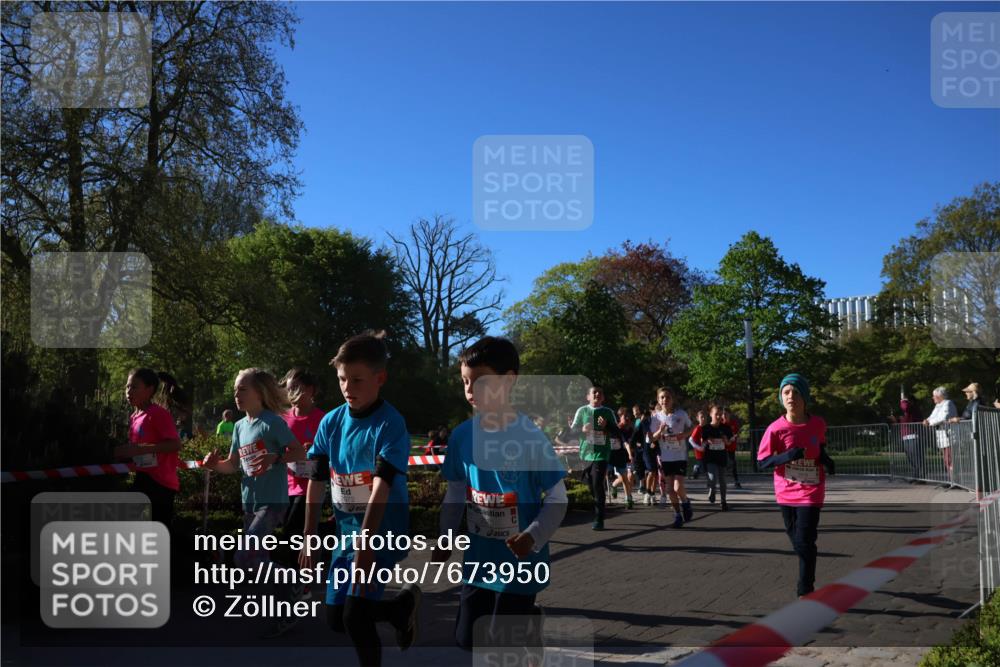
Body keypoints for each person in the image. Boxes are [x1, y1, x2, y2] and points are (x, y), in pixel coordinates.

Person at [433, 336, 567, 667]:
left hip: (521, 562)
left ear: (508, 381)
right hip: (479, 560)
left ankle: (525, 630)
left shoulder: (530, 437)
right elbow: (455, 491)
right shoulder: (462, 435)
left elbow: (557, 497)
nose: (470, 390)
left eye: (480, 381)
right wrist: (446, 535)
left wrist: (533, 536)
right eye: (465, 382)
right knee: (467, 639)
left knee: (500, 648)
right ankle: (529, 625)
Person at [298, 332, 420, 666]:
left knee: (355, 617)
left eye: (357, 380)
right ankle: (399, 609)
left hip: (380, 533)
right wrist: (309, 536)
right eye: (341, 379)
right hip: (347, 534)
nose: (347, 387)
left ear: (380, 378)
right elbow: (317, 480)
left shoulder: (390, 424)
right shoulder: (331, 422)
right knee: (336, 619)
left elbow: (381, 487)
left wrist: (367, 547)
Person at [202, 367, 304, 636]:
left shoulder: (272, 422)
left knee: (244, 556)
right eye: (235, 389)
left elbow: (299, 452)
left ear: (259, 393)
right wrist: (214, 465)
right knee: (258, 560)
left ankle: (293, 581)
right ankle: (285, 612)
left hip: (272, 502)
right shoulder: (239, 426)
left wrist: (277, 457)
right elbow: (232, 465)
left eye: (242, 389)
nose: (236, 394)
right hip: (250, 502)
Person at [757, 373, 835, 598]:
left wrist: (827, 460)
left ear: (805, 397)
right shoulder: (775, 428)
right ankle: (808, 560)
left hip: (812, 489)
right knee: (799, 542)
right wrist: (787, 456)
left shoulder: (818, 424)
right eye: (786, 392)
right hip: (786, 491)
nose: (791, 396)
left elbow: (820, 447)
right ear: (781, 397)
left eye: (796, 392)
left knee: (804, 540)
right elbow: (762, 462)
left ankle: (805, 589)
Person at [114, 369, 183, 527]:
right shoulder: (134, 416)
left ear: (149, 390)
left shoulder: (158, 414)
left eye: (134, 387)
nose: (128, 391)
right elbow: (136, 449)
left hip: (161, 483)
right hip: (143, 477)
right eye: (127, 387)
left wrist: (141, 449)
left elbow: (175, 444)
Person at [279, 368, 325, 566]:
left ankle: (300, 574)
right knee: (289, 534)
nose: (292, 393)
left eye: (297, 388)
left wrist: (313, 451)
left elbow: (332, 453)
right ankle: (299, 572)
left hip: (311, 486)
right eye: (289, 388)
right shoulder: (282, 418)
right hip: (286, 484)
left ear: (311, 390)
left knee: (293, 530)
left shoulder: (323, 419)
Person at [571, 385, 626, 530]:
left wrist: (606, 425)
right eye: (594, 392)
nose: (597, 394)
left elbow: (617, 432)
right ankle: (597, 506)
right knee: (589, 485)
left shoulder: (607, 412)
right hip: (585, 453)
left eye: (600, 393)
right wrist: (582, 429)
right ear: (588, 397)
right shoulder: (582, 411)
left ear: (603, 397)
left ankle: (599, 518)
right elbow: (572, 431)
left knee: (597, 483)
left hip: (602, 454)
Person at [650, 387, 694, 528]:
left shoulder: (681, 414)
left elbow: (692, 427)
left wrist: (684, 435)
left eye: (668, 397)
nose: (665, 400)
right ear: (658, 400)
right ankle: (677, 515)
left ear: (672, 399)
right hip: (666, 457)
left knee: (678, 487)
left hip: (680, 455)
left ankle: (685, 502)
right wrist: (659, 431)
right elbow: (651, 438)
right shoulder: (656, 418)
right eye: (662, 397)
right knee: (669, 489)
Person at [699, 404, 733, 510]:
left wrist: (725, 440)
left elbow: (729, 443)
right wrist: (707, 440)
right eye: (716, 414)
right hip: (710, 457)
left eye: (720, 414)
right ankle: (712, 490)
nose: (718, 417)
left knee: (723, 480)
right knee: (712, 478)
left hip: (722, 456)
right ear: (711, 414)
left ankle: (723, 501)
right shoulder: (706, 428)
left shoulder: (726, 428)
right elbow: (702, 441)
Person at [924, 386, 958, 488]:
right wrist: (927, 420)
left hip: (949, 435)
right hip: (942, 435)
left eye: (934, 396)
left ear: (940, 396)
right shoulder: (938, 405)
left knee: (949, 458)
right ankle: (951, 480)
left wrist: (929, 422)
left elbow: (943, 417)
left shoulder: (948, 403)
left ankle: (954, 481)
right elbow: (932, 416)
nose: (933, 398)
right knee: (946, 459)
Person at [889, 393, 925, 482]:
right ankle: (916, 476)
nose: (903, 403)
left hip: (914, 435)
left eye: (906, 401)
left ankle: (921, 477)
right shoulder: (907, 411)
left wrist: (903, 400)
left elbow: (905, 407)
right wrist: (896, 420)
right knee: (910, 457)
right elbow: (905, 420)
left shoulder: (913, 408)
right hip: (906, 436)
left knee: (916, 457)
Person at [609, 407, 635, 509]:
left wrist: (630, 454)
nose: (627, 418)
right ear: (620, 417)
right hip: (611, 456)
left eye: (628, 416)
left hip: (623, 456)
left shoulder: (630, 429)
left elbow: (627, 443)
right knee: (624, 477)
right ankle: (613, 487)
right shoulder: (615, 428)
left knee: (627, 477)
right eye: (625, 416)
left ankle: (628, 498)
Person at [630, 404, 648, 495]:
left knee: (646, 467)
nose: (634, 413)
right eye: (633, 412)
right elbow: (634, 434)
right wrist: (635, 443)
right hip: (638, 448)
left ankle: (646, 486)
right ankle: (642, 485)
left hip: (646, 446)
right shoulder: (635, 421)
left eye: (635, 411)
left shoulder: (646, 420)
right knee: (639, 467)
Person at [722, 408, 743, 488]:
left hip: (731, 447)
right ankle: (721, 481)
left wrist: (734, 437)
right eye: (723, 414)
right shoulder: (721, 424)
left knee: (733, 464)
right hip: (722, 447)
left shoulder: (733, 423)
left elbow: (737, 433)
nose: (724, 415)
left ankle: (736, 480)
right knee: (722, 464)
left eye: (726, 414)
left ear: (729, 415)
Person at [689, 410, 708, 481]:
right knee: (702, 467)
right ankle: (696, 468)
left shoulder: (708, 427)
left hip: (707, 450)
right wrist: (699, 448)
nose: (703, 419)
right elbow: (690, 440)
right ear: (698, 418)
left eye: (704, 417)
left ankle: (709, 481)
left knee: (706, 466)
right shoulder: (697, 428)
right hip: (699, 452)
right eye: (701, 417)